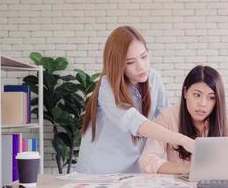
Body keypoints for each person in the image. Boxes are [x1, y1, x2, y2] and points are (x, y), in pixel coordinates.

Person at [76, 26, 194, 174]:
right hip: (99, 172)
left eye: (144, 56)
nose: (141, 66)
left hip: (133, 172)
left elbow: (165, 119)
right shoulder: (108, 87)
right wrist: (183, 140)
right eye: (130, 62)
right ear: (118, 65)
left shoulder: (154, 78)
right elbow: (137, 123)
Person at [139, 65, 228, 174]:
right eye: (197, 95)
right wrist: (185, 169)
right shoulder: (168, 117)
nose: (203, 103)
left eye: (211, 97)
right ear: (185, 92)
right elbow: (147, 159)